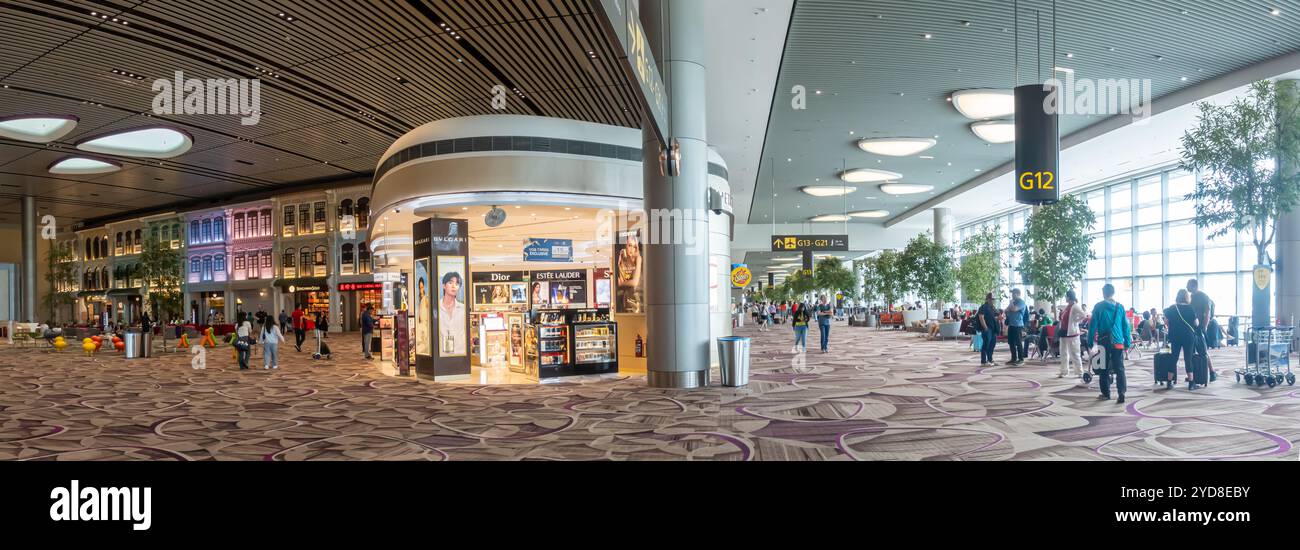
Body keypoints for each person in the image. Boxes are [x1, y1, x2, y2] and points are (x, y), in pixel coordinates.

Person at [1085, 283, 1133, 403]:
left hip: (1103, 341)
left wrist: (1090, 341)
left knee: (1103, 368)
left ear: (1103, 293)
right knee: (1120, 368)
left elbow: (1092, 326)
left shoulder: (1098, 307)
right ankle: (1121, 392)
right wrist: (1127, 341)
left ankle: (1106, 393)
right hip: (1118, 342)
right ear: (1113, 293)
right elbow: (1125, 326)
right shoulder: (1120, 307)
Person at [1164, 290, 1201, 382]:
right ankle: (1191, 383)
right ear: (1187, 297)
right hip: (1188, 336)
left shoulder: (1172, 308)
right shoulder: (1190, 308)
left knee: (1174, 357)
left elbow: (1166, 321)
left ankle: (1169, 381)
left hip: (1175, 335)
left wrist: (1173, 327)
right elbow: (1196, 323)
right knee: (1188, 358)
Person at [1186, 279, 1217, 381]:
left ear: (1194, 286)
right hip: (1192, 327)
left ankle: (1212, 372)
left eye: (1188, 286)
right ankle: (1195, 374)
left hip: (1200, 328)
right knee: (1192, 351)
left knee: (1203, 351)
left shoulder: (1203, 297)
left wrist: (1204, 327)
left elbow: (1207, 312)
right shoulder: (1191, 297)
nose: (1187, 287)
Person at [1058, 290, 1086, 378]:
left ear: (1069, 297)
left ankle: (1079, 372)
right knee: (1063, 353)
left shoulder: (1075, 306)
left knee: (1075, 353)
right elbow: (1063, 318)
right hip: (1063, 332)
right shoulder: (1067, 307)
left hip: (1072, 333)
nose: (1065, 298)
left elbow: (1084, 315)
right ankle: (1064, 371)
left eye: (1066, 296)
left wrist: (1076, 321)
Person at [438, 271, 467, 356]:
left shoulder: (463, 309)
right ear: (444, 285)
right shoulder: (436, 308)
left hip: (460, 354)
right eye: (450, 283)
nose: (454, 286)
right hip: (441, 356)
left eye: (457, 284)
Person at [1005, 288, 1028, 365]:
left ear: (1018, 294)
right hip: (1011, 324)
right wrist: (1010, 307)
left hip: (1018, 325)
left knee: (1018, 342)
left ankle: (1021, 359)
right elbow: (1006, 310)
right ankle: (1014, 358)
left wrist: (1011, 303)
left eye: (1013, 293)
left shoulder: (1021, 302)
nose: (1012, 295)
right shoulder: (1014, 302)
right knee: (1011, 342)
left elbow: (1014, 309)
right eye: (1012, 293)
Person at [976, 293, 1000, 366]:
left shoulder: (993, 307)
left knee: (992, 345)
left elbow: (997, 316)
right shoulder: (983, 307)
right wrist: (985, 327)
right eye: (992, 299)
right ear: (988, 299)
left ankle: (990, 360)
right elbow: (981, 317)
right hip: (987, 329)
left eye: (994, 299)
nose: (993, 300)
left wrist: (998, 317)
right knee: (986, 345)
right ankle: (983, 361)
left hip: (993, 329)